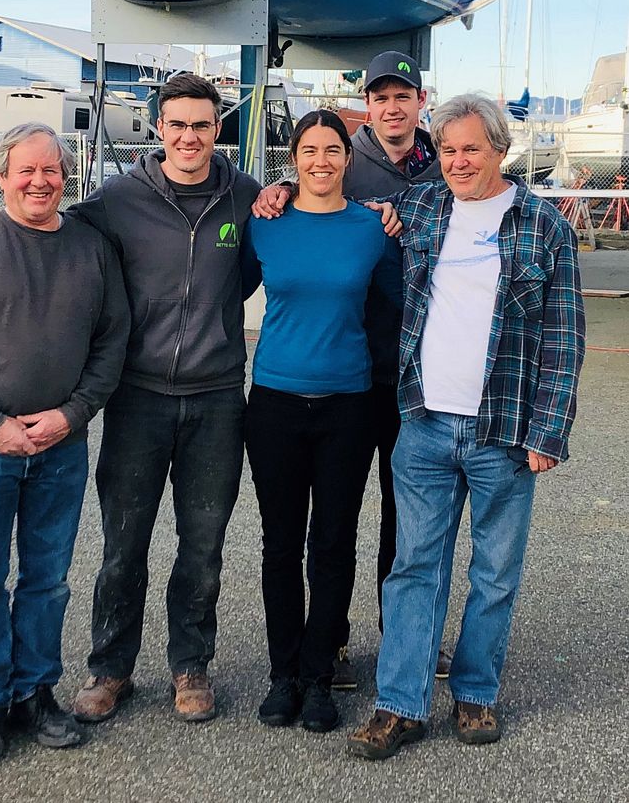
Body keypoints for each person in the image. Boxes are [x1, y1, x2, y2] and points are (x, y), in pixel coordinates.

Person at [0, 73, 261, 725]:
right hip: (137, 398)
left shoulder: (248, 198)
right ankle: (110, 668)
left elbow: (273, 250)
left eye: (202, 124)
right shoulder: (117, 198)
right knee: (123, 544)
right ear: (158, 128)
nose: (190, 136)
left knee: (202, 545)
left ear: (216, 129)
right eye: (178, 124)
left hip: (217, 398)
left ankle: (190, 665)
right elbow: (41, 223)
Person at [347, 94, 585, 761]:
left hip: (503, 429)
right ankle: (400, 705)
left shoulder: (543, 226)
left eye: (470, 149)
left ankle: (476, 692)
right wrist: (277, 192)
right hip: (422, 422)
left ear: (499, 151)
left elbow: (563, 338)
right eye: (447, 149)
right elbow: (335, 200)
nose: (456, 161)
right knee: (413, 568)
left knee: (495, 573)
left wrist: (549, 432)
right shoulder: (421, 209)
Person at [0, 124, 130, 763]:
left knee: (48, 580)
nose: (40, 181)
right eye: (26, 171)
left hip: (61, 447)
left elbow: (110, 343)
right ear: (1, 175)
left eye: (52, 170)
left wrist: (71, 416)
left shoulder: (91, 248)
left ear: (67, 176)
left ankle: (36, 693)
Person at [254, 49, 450, 688]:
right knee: (326, 525)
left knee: (408, 515)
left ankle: (406, 639)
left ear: (421, 101)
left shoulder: (443, 164)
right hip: (355, 370)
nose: (392, 108)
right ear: (367, 105)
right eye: (380, 97)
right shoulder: (344, 160)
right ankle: (326, 645)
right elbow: (307, 192)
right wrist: (280, 189)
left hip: (421, 369)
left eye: (404, 97)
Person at [242, 110, 403, 734]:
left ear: (346, 157)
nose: (320, 161)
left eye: (332, 150)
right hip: (277, 401)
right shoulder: (267, 224)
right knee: (280, 543)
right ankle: (283, 674)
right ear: (294, 158)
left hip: (348, 404)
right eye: (308, 151)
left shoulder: (372, 228)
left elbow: (408, 299)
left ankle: (319, 674)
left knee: (332, 543)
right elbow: (211, 287)